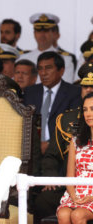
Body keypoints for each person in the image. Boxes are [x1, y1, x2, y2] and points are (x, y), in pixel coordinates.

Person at [32, 62, 93, 224]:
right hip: (69, 184)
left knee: (77, 215)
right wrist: (51, 178)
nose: (89, 90)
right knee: (42, 201)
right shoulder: (68, 119)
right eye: (85, 87)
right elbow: (52, 154)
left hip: (89, 190)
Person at [23, 51, 81, 155]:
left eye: (48, 68)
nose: (43, 73)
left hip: (60, 151)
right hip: (32, 150)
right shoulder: (30, 92)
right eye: (40, 68)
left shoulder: (74, 93)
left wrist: (50, 144)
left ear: (61, 71)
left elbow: (72, 126)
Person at [57, 92, 93, 224]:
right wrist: (74, 197)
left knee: (77, 215)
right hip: (76, 194)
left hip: (92, 196)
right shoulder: (76, 140)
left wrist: (91, 197)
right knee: (63, 214)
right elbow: (70, 176)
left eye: (92, 109)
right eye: (85, 110)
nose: (88, 114)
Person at [19, 13, 75, 84]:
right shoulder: (22, 57)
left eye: (46, 31)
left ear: (54, 33)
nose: (42, 35)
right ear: (34, 33)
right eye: (38, 31)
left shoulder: (65, 59)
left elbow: (66, 85)